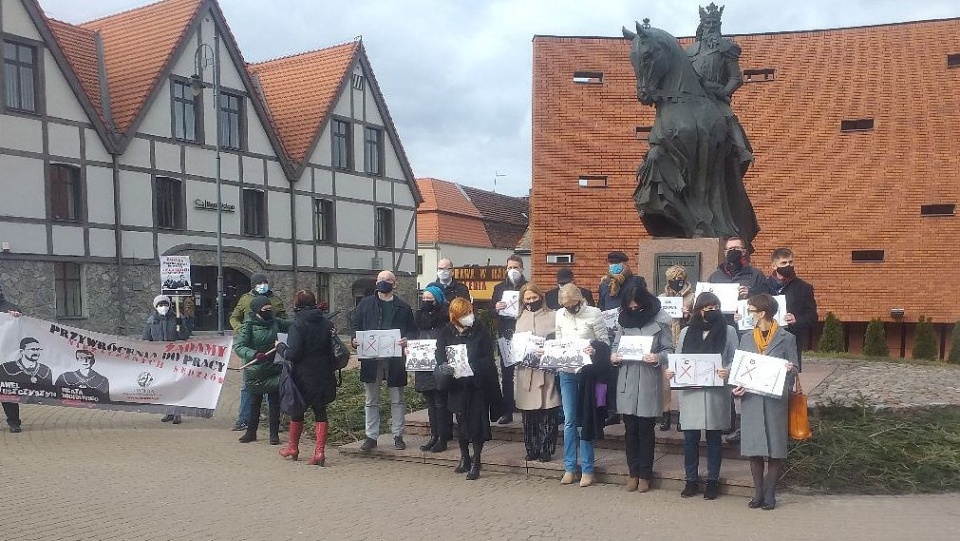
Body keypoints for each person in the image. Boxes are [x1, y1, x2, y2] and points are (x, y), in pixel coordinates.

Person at [665, 291, 737, 500]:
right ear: (698, 311)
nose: (711, 312)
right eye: (706, 308)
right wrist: (672, 371)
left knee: (714, 437)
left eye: (714, 308)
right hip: (691, 392)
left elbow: (735, 357)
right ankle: (691, 480)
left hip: (715, 391)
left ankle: (712, 481)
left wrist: (728, 370)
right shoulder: (688, 332)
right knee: (690, 438)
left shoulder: (729, 330)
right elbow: (678, 358)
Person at [734, 294, 799, 510]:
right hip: (751, 399)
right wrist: (736, 386)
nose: (748, 315)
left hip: (774, 400)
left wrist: (790, 370)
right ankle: (758, 493)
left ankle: (771, 493)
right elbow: (739, 369)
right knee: (754, 448)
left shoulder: (786, 337)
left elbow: (796, 366)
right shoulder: (745, 338)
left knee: (775, 448)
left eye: (750, 310)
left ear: (762, 313)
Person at [611, 285, 673, 493]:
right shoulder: (623, 319)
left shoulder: (660, 319)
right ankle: (632, 473)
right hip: (628, 378)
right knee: (630, 430)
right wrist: (614, 357)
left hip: (648, 379)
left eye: (636, 303)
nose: (633, 307)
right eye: (629, 304)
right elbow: (615, 345)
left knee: (646, 431)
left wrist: (657, 358)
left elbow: (668, 349)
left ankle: (645, 474)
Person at [435, 298, 503, 480]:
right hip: (457, 385)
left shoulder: (479, 330)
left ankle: (476, 460)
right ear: (456, 316)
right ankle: (464, 457)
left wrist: (472, 365)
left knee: (477, 424)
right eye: (465, 314)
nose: (469, 317)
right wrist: (445, 366)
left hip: (476, 384)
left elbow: (488, 357)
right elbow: (440, 354)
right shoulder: (446, 332)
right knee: (461, 422)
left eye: (470, 312)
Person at [351, 270, 416, 451]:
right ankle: (371, 436)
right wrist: (354, 340)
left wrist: (406, 339)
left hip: (395, 359)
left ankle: (398, 435)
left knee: (397, 398)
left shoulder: (404, 307)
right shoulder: (365, 305)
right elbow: (356, 327)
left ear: (394, 284)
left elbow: (413, 330)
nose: (383, 282)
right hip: (372, 360)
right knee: (371, 400)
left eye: (387, 280)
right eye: (380, 279)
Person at [708, 236, 765, 444]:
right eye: (729, 249)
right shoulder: (715, 276)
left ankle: (747, 425)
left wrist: (751, 294)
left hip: (747, 334)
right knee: (727, 377)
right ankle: (729, 422)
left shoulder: (756, 275)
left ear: (745, 252)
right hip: (722, 332)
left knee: (748, 379)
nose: (733, 251)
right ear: (724, 252)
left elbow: (767, 302)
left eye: (737, 248)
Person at [553, 284, 610, 487]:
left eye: (572, 305)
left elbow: (605, 342)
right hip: (567, 371)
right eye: (565, 306)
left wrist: (594, 348)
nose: (569, 309)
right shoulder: (559, 315)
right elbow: (558, 341)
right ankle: (569, 467)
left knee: (585, 418)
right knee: (569, 420)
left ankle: (588, 468)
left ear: (579, 300)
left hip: (588, 373)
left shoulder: (594, 313)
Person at [275, 290, 338, 466]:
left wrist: (280, 347)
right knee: (320, 411)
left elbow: (293, 354)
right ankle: (319, 452)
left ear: (297, 304)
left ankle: (293, 447)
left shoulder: (298, 325)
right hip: (323, 374)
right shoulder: (326, 323)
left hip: (302, 375)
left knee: (297, 410)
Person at [229, 273, 287, 432]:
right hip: (252, 351)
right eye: (259, 283)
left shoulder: (276, 300)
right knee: (248, 385)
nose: (263, 285)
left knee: (272, 387)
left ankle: (274, 422)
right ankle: (244, 419)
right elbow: (234, 318)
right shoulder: (245, 299)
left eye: (265, 282)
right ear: (253, 285)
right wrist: (241, 330)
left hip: (272, 349)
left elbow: (284, 320)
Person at [513, 282, 561, 462]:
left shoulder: (553, 316)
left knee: (548, 412)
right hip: (526, 372)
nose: (531, 301)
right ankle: (532, 448)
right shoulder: (519, 318)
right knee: (529, 414)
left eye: (534, 298)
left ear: (540, 297)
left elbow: (559, 340)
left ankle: (547, 448)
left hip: (546, 371)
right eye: (528, 298)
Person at [598, 251, 645, 425]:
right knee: (607, 374)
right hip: (609, 334)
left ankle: (628, 409)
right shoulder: (604, 284)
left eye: (618, 262)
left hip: (630, 332)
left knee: (626, 374)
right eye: (611, 262)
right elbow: (601, 307)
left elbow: (641, 303)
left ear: (626, 263)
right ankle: (610, 409)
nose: (614, 265)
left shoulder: (636, 281)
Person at [759, 248, 817, 371]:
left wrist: (797, 320)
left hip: (790, 342)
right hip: (764, 342)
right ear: (774, 266)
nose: (788, 266)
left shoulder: (804, 288)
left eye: (790, 262)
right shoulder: (761, 287)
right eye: (783, 263)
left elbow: (812, 317)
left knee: (788, 384)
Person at [413, 285, 451, 453]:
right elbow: (414, 335)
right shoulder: (419, 317)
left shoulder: (445, 316)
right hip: (423, 361)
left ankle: (443, 438)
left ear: (438, 299)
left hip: (439, 360)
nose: (427, 301)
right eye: (425, 297)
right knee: (430, 403)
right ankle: (434, 436)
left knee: (441, 402)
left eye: (431, 298)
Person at [142, 294, 190, 424]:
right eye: (160, 305)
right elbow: (146, 338)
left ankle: (177, 412)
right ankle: (168, 411)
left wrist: (181, 327)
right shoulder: (151, 321)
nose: (163, 307)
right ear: (155, 306)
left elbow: (184, 336)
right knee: (164, 385)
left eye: (165, 305)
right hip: (159, 359)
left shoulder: (177, 318)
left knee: (175, 384)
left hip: (174, 357)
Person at [492, 254, 527, 424]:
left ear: (522, 268)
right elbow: (492, 311)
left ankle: (527, 407)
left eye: (515, 267)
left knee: (526, 372)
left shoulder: (528, 286)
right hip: (505, 333)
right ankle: (507, 411)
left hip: (523, 333)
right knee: (507, 374)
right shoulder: (499, 288)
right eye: (509, 267)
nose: (512, 271)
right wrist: (496, 308)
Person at [660, 265, 695, 431]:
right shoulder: (661, 298)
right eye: (673, 280)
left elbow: (699, 320)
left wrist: (688, 315)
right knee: (666, 382)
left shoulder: (693, 297)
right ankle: (665, 414)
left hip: (685, 341)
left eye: (679, 280)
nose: (676, 283)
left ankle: (683, 415)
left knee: (684, 380)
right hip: (667, 341)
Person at [0, 284, 25, 433]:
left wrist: (17, 317)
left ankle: (14, 422)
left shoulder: (10, 308)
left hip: (5, 359)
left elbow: (22, 329)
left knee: (8, 391)